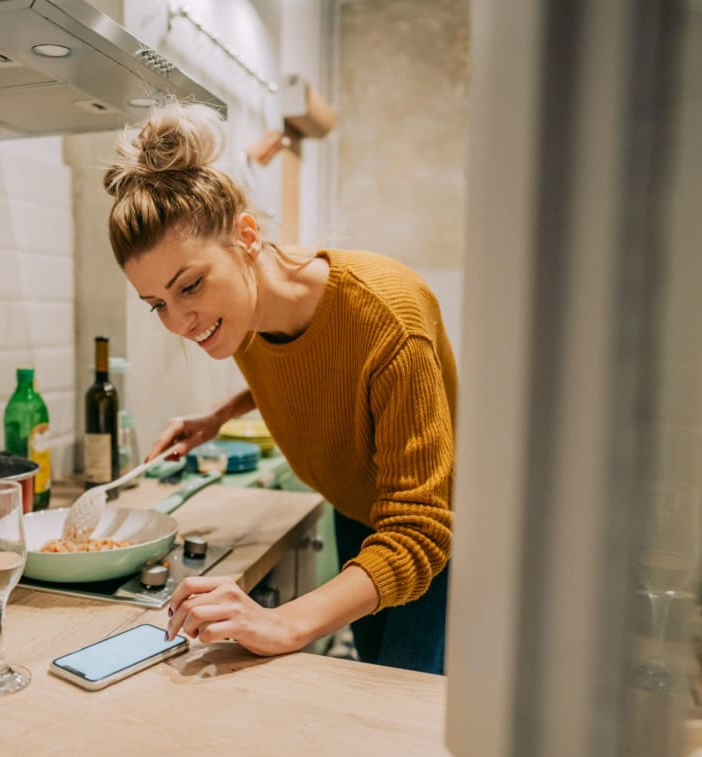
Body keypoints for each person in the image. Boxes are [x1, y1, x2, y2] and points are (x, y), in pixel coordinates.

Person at [102, 101, 457, 676]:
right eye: (156, 306)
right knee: (369, 677)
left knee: (400, 708)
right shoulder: (242, 314)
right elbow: (300, 363)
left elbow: (419, 532)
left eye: (189, 286)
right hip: (357, 510)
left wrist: (284, 621)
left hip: (433, 534)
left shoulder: (389, 317)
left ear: (245, 236)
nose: (179, 323)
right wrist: (217, 416)